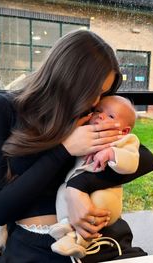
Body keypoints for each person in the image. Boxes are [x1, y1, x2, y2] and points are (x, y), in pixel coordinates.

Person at [0, 29, 153, 262]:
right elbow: (0, 209)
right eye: (93, 92)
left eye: (102, 94)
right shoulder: (2, 108)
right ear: (67, 78)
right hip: (37, 246)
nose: (96, 102)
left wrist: (76, 188)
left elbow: (144, 158)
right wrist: (64, 150)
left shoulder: (90, 111)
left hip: (101, 239)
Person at [49, 95, 140, 259]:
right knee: (63, 191)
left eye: (110, 116)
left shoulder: (125, 140)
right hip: (77, 190)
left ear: (124, 130)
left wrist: (112, 153)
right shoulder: (87, 134)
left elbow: (132, 162)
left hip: (106, 194)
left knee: (98, 201)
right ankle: (66, 224)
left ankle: (80, 241)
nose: (100, 116)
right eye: (98, 111)